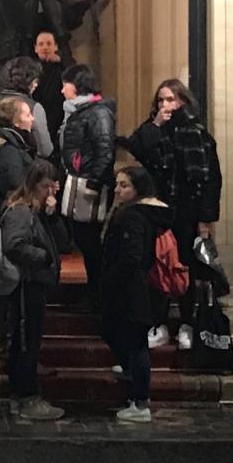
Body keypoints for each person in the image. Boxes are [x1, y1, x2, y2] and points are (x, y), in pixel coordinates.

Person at [96, 163, 173, 424]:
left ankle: (140, 402)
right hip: (135, 287)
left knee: (136, 342)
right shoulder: (136, 212)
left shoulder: (134, 216)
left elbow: (133, 255)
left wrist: (110, 278)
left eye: (124, 185)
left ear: (138, 189)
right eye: (117, 184)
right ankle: (131, 374)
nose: (117, 190)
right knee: (119, 333)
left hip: (131, 289)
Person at [0, 160, 66, 424]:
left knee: (28, 340)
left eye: (53, 186)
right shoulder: (20, 211)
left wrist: (53, 216)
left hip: (35, 282)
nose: (51, 192)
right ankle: (27, 396)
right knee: (26, 341)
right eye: (47, 186)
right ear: (34, 185)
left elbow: (63, 242)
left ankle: (21, 394)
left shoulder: (37, 212)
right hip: (26, 284)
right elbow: (14, 245)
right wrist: (44, 258)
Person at [126, 77, 223, 240]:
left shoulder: (197, 133)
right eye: (160, 100)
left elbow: (211, 179)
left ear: (182, 101)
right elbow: (137, 148)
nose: (164, 104)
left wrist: (206, 218)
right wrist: (155, 125)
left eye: (170, 99)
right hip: (157, 205)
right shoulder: (152, 127)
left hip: (188, 209)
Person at [58, 64, 120, 294]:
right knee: (84, 240)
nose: (62, 90)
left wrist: (95, 182)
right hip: (78, 180)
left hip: (88, 184)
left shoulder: (97, 113)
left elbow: (104, 149)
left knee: (91, 242)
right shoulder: (80, 111)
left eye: (65, 84)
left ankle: (99, 293)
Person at [0, 55, 55, 163]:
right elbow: (45, 150)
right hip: (24, 167)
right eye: (35, 80)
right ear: (29, 82)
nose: (36, 84)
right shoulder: (34, 107)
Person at [31, 28, 67, 147]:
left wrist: (61, 62)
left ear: (56, 47)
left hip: (58, 116)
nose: (45, 48)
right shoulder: (30, 69)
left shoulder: (64, 67)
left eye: (49, 44)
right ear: (35, 48)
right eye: (41, 44)